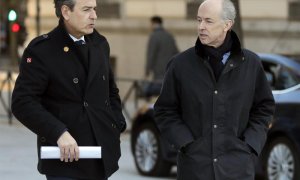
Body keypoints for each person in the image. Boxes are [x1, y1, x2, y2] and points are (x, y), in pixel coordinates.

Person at [154, 0, 275, 179]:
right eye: (199, 20)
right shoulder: (180, 64)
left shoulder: (251, 64)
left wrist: (250, 145)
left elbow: (265, 108)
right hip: (194, 169)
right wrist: (186, 143)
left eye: (208, 21)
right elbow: (165, 110)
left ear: (228, 24)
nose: (201, 26)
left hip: (238, 169)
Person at [11, 0, 126, 179]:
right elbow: (22, 102)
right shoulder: (42, 50)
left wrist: (116, 124)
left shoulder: (100, 44)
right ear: (66, 12)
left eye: (94, 9)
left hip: (100, 158)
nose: (94, 16)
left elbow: (110, 91)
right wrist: (58, 132)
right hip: (64, 162)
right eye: (87, 10)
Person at [145, 16, 179, 81]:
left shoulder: (154, 36)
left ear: (153, 23)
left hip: (158, 71)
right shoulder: (169, 35)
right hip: (170, 69)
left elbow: (151, 55)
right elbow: (176, 52)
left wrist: (147, 71)